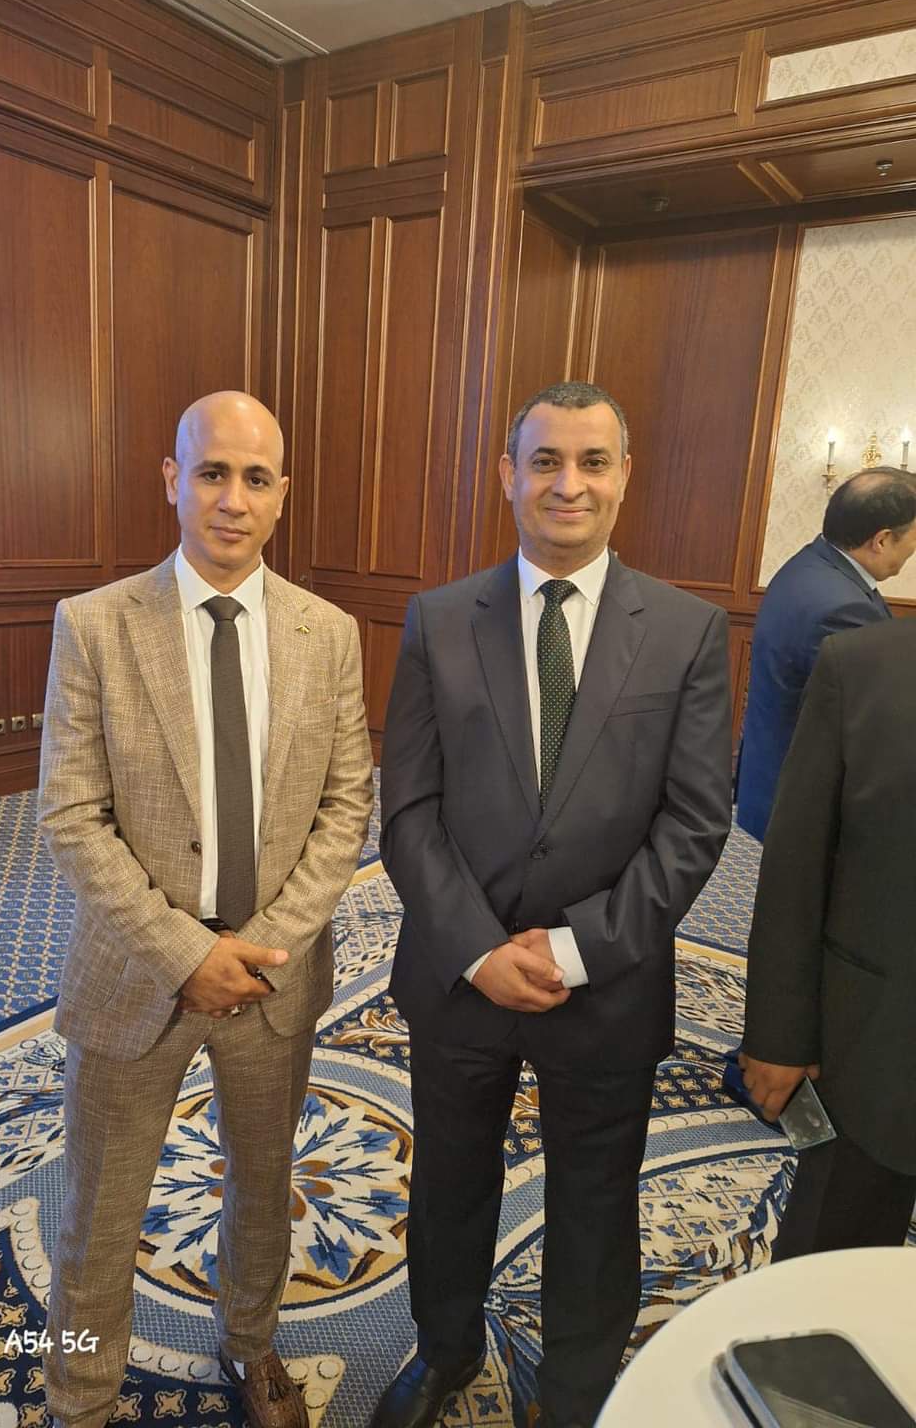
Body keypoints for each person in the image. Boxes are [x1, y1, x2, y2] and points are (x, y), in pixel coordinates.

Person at [370, 382, 732, 1428]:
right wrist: (480, 950)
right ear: (507, 475)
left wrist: (576, 951)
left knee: (595, 1195)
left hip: (606, 981)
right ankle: (444, 1352)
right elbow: (409, 811)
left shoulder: (689, 629)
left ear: (625, 477)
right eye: (545, 460)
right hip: (460, 975)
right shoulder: (439, 619)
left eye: (592, 461)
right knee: (449, 1183)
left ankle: (577, 1388)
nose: (568, 484)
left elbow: (694, 824)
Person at [37, 391, 373, 1428]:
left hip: (274, 977)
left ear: (282, 494)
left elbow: (346, 806)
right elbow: (72, 814)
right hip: (136, 973)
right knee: (101, 1211)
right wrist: (188, 953)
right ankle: (80, 1398)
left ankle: (251, 1345)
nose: (234, 498)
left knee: (264, 1185)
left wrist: (263, 944)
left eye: (256, 478)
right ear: (172, 480)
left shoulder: (329, 633)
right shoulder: (96, 624)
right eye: (213, 473)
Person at [740, 617, 916, 1257]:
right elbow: (797, 864)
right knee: (828, 1266)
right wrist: (779, 1034)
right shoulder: (862, 666)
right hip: (878, 1045)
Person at [735, 467, 916, 842]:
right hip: (805, 803)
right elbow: (870, 724)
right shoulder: (842, 608)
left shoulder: (812, 564)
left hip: (771, 774)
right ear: (882, 540)